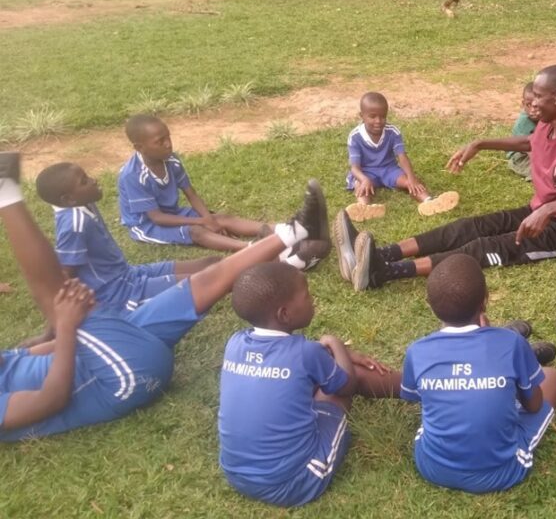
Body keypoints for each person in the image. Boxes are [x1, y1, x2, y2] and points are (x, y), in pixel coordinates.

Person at [0, 151, 331, 441]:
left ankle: (297, 231)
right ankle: (5, 189)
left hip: (109, 349)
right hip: (121, 376)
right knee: (56, 297)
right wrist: (68, 327)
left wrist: (54, 337)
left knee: (206, 280)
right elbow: (52, 399)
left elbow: (35, 356)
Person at [335, 65, 556, 291]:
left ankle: (382, 273)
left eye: (538, 97)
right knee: (468, 227)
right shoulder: (549, 125)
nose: (531, 104)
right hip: (538, 210)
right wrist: (481, 143)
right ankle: (383, 253)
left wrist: (549, 209)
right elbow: (528, 143)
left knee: (486, 247)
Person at [217, 262, 401, 507]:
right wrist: (335, 344)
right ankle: (416, 386)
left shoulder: (235, 342)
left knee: (311, 379)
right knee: (339, 387)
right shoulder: (305, 353)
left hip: (236, 474)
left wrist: (327, 353)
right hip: (295, 481)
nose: (313, 300)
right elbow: (346, 386)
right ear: (284, 314)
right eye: (307, 295)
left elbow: (288, 360)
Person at [399, 254, 556, 493]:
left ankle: (504, 365)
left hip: (432, 466)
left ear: (429, 304)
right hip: (502, 470)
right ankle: (516, 366)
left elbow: (416, 398)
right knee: (555, 377)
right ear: (485, 301)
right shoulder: (512, 343)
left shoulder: (417, 351)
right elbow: (533, 405)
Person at [35, 161, 220, 312]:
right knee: (208, 280)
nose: (93, 181)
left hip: (128, 274)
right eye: (84, 181)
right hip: (116, 293)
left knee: (210, 263)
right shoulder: (73, 222)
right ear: (68, 199)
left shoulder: (83, 203)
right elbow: (65, 276)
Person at [117, 114, 273, 252]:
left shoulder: (171, 159)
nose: (168, 144)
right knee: (196, 231)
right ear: (139, 147)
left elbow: (190, 193)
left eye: (168, 137)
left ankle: (279, 230)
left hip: (172, 214)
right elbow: (157, 218)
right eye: (160, 141)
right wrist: (201, 221)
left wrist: (208, 218)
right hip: (148, 225)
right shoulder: (133, 176)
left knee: (221, 218)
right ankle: (249, 248)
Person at [344, 92, 459, 222]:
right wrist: (364, 179)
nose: (378, 121)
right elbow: (355, 168)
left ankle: (429, 202)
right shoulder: (355, 136)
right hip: (366, 172)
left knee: (410, 182)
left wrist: (412, 178)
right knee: (360, 185)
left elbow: (402, 157)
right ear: (362, 116)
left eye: (383, 117)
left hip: (389, 169)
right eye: (372, 116)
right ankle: (364, 208)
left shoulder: (393, 132)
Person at [506, 81, 540, 181]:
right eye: (528, 105)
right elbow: (527, 148)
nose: (532, 110)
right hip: (520, 156)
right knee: (539, 171)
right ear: (523, 104)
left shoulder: (545, 117)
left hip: (538, 151)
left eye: (536, 106)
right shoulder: (524, 122)